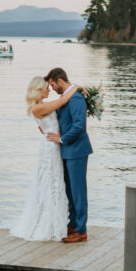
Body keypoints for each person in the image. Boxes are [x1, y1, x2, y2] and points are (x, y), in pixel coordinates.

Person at [8, 77, 77, 241]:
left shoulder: (41, 106)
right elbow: (63, 101)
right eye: (46, 88)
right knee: (50, 182)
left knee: (53, 181)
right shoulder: (38, 108)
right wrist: (77, 88)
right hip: (50, 148)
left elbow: (44, 126)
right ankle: (47, 223)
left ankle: (55, 222)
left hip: (51, 143)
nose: (49, 90)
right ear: (39, 90)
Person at [43, 67, 93, 243]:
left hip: (77, 151)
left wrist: (62, 139)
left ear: (59, 81)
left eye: (52, 84)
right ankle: (72, 225)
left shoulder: (77, 98)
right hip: (66, 152)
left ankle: (81, 230)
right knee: (70, 191)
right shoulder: (67, 97)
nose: (52, 88)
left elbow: (79, 126)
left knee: (78, 191)